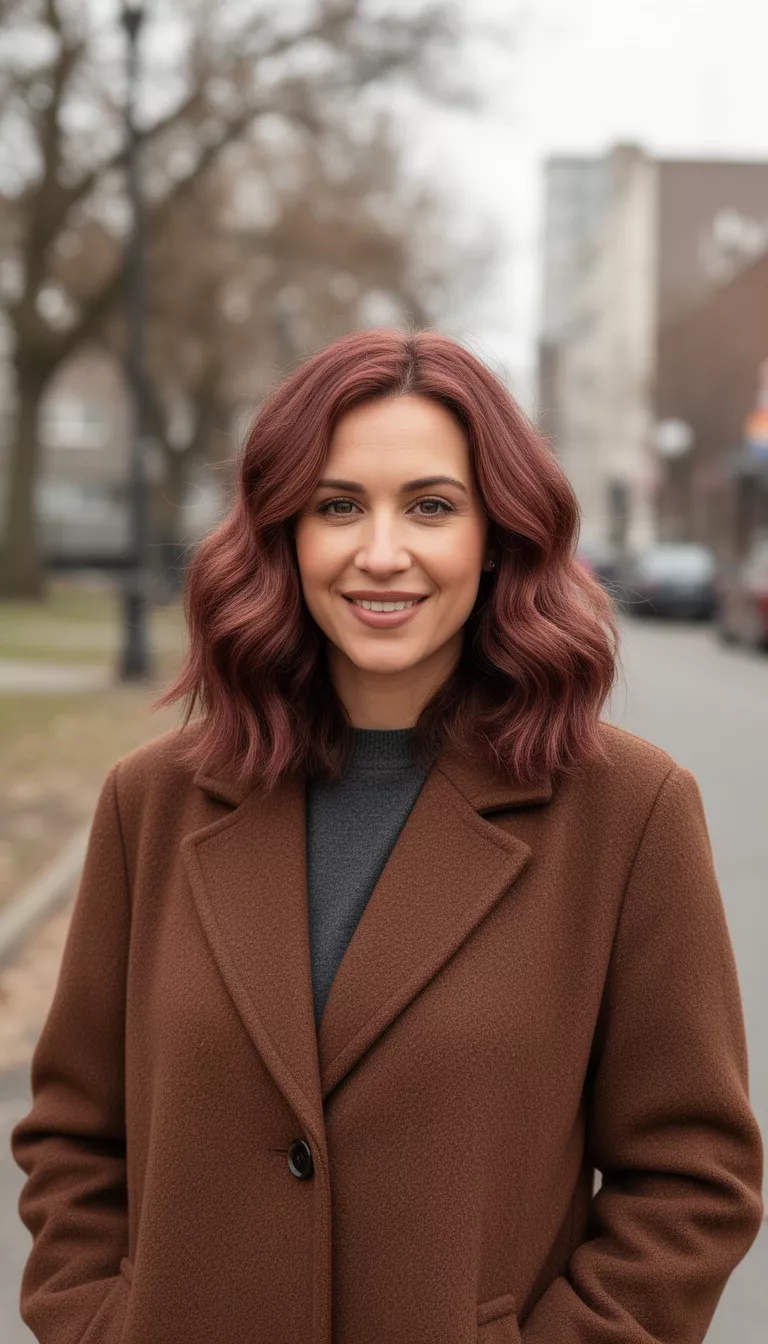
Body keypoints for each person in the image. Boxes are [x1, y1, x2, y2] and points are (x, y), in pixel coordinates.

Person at [11, 328, 763, 1344]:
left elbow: (692, 1178)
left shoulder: (628, 812)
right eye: (337, 506)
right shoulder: (151, 804)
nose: (380, 551)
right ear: (285, 533)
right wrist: (103, 1324)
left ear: (497, 534)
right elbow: (73, 1139)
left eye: (431, 506)